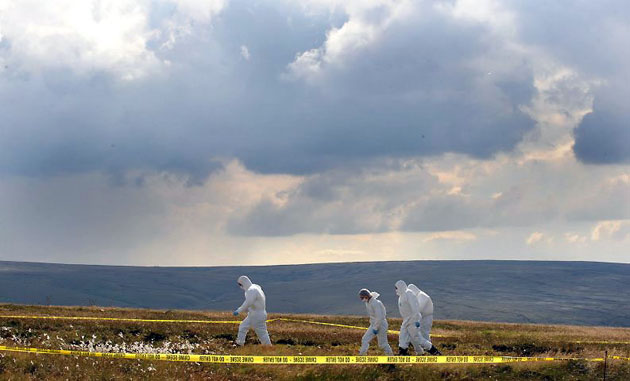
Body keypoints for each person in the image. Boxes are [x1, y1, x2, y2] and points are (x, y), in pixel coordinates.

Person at [233, 275, 271, 346]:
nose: (240, 287)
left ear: (243, 283)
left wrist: (239, 310)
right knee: (243, 326)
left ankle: (268, 347)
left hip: (257, 315)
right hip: (254, 314)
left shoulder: (251, 290)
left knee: (261, 333)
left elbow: (248, 302)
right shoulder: (255, 288)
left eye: (240, 285)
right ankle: (239, 343)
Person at [408, 283, 442, 355]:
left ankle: (430, 351)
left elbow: (419, 308)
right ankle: (424, 351)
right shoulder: (418, 296)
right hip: (422, 317)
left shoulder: (422, 296)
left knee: (424, 333)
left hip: (426, 317)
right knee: (420, 334)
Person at [358, 288, 394, 355]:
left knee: (382, 344)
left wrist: (376, 327)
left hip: (381, 325)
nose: (361, 299)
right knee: (365, 339)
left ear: (366, 296)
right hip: (374, 324)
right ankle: (362, 355)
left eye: (362, 297)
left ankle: (391, 358)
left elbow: (379, 317)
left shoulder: (375, 303)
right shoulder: (368, 303)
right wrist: (374, 326)